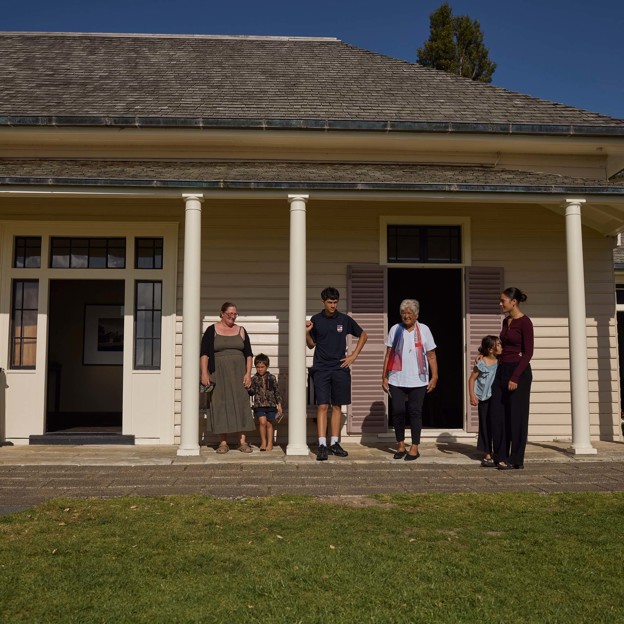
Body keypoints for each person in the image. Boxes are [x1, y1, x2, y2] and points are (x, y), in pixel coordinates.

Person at [306, 287, 368, 461]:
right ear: (323, 302)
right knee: (322, 406)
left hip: (340, 368)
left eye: (335, 302)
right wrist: (307, 333)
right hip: (321, 368)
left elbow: (363, 335)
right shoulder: (316, 320)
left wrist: (353, 355)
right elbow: (311, 345)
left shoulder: (344, 319)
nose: (333, 305)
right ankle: (322, 445)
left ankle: (334, 443)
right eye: (330, 302)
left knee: (337, 406)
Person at [382, 299, 438, 461]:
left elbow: (431, 355)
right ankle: (400, 444)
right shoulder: (395, 329)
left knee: (415, 412)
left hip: (418, 379)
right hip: (396, 378)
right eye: (403, 313)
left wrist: (435, 376)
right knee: (398, 411)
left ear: (416, 315)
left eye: (410, 313)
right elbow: (388, 354)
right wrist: (384, 376)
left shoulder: (424, 329)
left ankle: (414, 447)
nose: (406, 316)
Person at [200, 302, 255, 454]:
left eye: (235, 314)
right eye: (230, 313)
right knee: (220, 404)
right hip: (218, 373)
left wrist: (248, 374)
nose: (233, 316)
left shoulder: (241, 330)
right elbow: (204, 354)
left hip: (239, 374)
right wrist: (204, 373)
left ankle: (242, 442)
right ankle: (223, 443)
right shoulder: (211, 330)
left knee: (241, 403)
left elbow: (249, 355)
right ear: (222, 313)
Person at [489, 287, 534, 470]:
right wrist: (486, 355)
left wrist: (515, 377)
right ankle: (500, 456)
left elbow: (528, 353)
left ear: (513, 302)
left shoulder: (525, 322)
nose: (500, 304)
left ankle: (515, 459)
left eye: (503, 301)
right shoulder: (506, 321)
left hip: (519, 372)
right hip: (502, 369)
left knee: (517, 416)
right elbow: (504, 349)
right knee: (498, 413)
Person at [468, 335, 502, 467]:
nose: (501, 347)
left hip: (497, 398)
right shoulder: (481, 363)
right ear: (490, 349)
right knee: (485, 425)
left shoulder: (501, 362)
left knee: (496, 424)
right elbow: (472, 379)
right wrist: (472, 395)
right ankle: (487, 453)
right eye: (498, 345)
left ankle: (499, 451)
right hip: (484, 398)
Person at [248, 353, 283, 452]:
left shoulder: (272, 378)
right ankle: (263, 442)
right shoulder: (254, 378)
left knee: (269, 424)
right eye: (258, 367)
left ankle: (270, 442)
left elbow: (277, 392)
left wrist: (279, 405)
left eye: (262, 367)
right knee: (262, 422)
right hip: (259, 405)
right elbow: (252, 392)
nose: (260, 369)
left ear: (267, 366)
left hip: (271, 404)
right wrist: (248, 388)